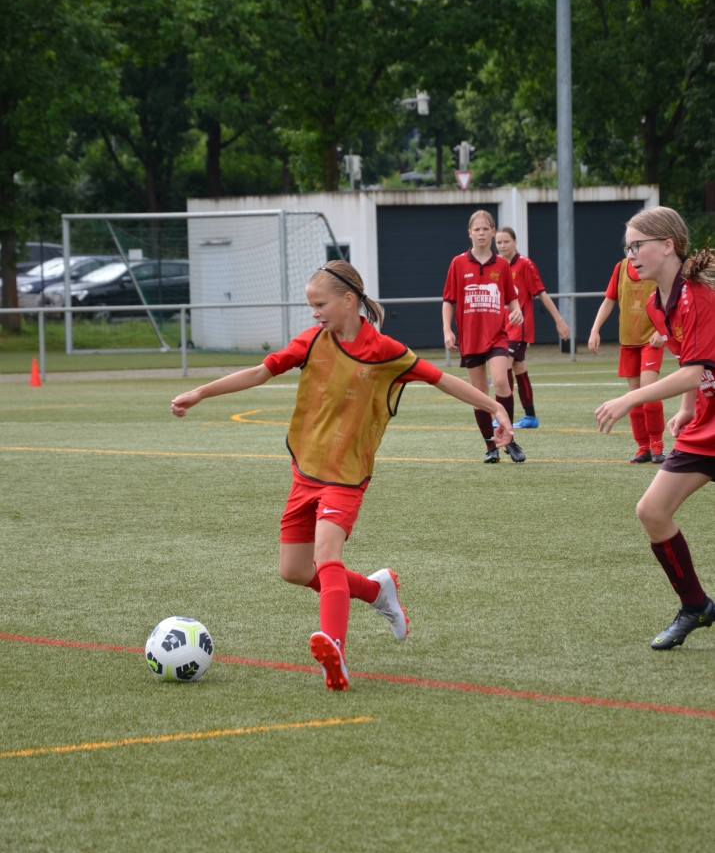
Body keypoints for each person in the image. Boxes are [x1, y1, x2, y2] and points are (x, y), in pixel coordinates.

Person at [171, 260, 513, 689]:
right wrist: (201, 392)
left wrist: (495, 407)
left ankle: (334, 649)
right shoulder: (311, 341)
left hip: (347, 475)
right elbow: (260, 372)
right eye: (311, 305)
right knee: (294, 570)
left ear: (349, 300)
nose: (314, 313)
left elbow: (442, 379)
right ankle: (376, 591)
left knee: (327, 554)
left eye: (320, 304)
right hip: (306, 470)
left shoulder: (386, 351)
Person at [595, 207, 715, 650]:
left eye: (637, 245)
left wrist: (630, 398)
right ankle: (696, 606)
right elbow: (694, 366)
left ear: (667, 246)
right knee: (652, 511)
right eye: (627, 247)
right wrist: (687, 409)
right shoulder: (656, 305)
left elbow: (694, 370)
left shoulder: (699, 295)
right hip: (707, 424)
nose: (630, 255)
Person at [442, 210, 526, 464]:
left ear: (493, 232)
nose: (481, 233)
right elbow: (448, 300)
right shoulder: (458, 263)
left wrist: (517, 311)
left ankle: (508, 439)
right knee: (479, 392)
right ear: (470, 233)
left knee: (501, 381)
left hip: (497, 336)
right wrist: (447, 330)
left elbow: (511, 298)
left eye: (485, 228)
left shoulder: (501, 265)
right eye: (476, 229)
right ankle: (490, 445)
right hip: (470, 338)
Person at [589, 252, 667, 463]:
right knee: (634, 394)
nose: (634, 250)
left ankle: (657, 444)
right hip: (628, 341)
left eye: (638, 245)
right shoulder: (621, 267)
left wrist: (661, 329)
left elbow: (670, 298)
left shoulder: (656, 264)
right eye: (631, 245)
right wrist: (595, 330)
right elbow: (609, 301)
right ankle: (643, 447)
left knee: (648, 390)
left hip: (651, 339)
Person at [495, 226, 570, 428]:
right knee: (519, 368)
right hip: (502, 327)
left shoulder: (525, 264)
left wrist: (559, 320)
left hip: (519, 327)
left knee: (503, 367)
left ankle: (503, 416)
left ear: (515, 242)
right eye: (499, 242)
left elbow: (541, 293)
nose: (502, 246)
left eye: (506, 241)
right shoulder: (498, 266)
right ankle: (530, 417)